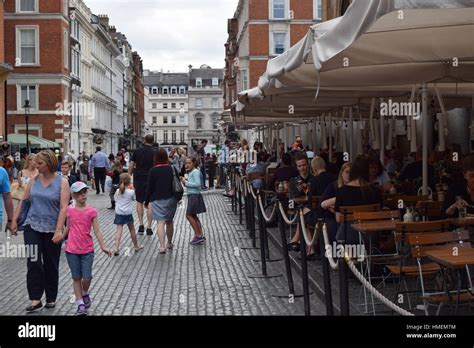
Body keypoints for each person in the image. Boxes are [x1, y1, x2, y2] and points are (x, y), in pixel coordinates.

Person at [10, 149, 70, 312]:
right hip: (32, 225)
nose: (36, 166)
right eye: (36, 163)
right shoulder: (33, 180)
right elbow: (24, 201)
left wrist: (59, 230)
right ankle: (35, 298)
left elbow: (64, 207)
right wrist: (14, 220)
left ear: (49, 163)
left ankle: (51, 297)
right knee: (34, 262)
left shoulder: (62, 182)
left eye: (40, 163)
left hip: (52, 227)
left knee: (51, 263)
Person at [62, 181, 112, 315]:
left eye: (84, 192)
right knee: (76, 277)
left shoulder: (92, 211)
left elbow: (97, 231)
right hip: (71, 249)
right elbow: (68, 228)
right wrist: (60, 238)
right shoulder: (69, 211)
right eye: (79, 193)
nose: (83, 195)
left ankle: (84, 292)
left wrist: (103, 246)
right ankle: (80, 304)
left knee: (87, 277)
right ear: (73, 196)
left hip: (87, 250)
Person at [335, 155, 383, 244]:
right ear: (367, 171)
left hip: (347, 235)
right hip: (371, 235)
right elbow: (379, 215)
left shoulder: (342, 191)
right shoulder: (375, 191)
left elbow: (338, 219)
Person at [144, 148, 178, 253]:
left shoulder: (153, 170)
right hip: (171, 198)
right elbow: (177, 183)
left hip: (158, 199)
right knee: (169, 221)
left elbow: (149, 187)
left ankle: (162, 246)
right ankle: (169, 243)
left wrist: (146, 201)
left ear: (156, 158)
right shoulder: (172, 168)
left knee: (160, 222)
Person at [287, 153, 314, 257]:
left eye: (304, 165)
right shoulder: (294, 180)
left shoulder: (313, 179)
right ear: (297, 167)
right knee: (302, 212)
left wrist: (306, 191)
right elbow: (293, 197)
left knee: (303, 213)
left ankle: (296, 239)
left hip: (311, 208)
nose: (302, 168)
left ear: (308, 164)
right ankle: (310, 248)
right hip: (299, 208)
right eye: (299, 166)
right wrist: (303, 193)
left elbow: (313, 196)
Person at [129, 135, 156, 235]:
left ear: (144, 140)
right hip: (151, 178)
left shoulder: (137, 151)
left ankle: (141, 225)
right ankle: (149, 227)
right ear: (152, 141)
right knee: (150, 202)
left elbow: (131, 165)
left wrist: (128, 176)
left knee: (139, 201)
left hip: (139, 178)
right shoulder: (154, 152)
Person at [321, 162, 351, 244]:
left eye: (351, 172)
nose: (349, 175)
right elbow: (323, 203)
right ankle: (335, 252)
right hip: (332, 216)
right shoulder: (333, 186)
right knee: (332, 227)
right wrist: (333, 209)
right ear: (341, 173)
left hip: (350, 216)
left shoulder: (355, 188)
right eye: (347, 172)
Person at [113, 173, 143, 255]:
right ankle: (136, 246)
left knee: (119, 230)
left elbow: (115, 199)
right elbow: (133, 199)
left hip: (119, 212)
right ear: (129, 182)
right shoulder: (131, 192)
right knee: (132, 230)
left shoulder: (117, 191)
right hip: (128, 213)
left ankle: (116, 248)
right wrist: (133, 189)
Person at [181, 156, 207, 245]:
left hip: (194, 195)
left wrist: (186, 182)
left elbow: (197, 184)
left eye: (189, 163)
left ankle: (198, 235)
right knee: (194, 216)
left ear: (193, 163)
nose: (187, 165)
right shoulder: (192, 172)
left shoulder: (195, 172)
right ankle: (200, 235)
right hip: (193, 195)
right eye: (186, 163)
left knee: (188, 215)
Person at [444, 154, 474, 219]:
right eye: (472, 176)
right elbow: (445, 214)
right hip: (460, 228)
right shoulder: (455, 189)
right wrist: (454, 205)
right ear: (465, 175)